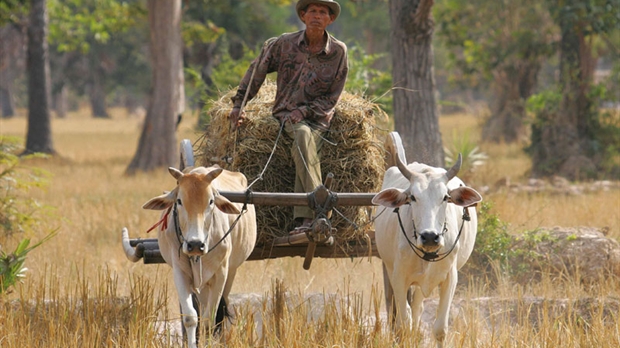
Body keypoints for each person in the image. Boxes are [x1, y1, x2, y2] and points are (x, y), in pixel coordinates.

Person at [228, 0, 348, 235]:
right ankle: (320, 211)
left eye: (323, 12)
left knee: (303, 146)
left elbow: (333, 96)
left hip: (320, 118)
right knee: (302, 135)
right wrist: (239, 104)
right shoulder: (284, 44)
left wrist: (305, 111)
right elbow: (257, 71)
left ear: (330, 20)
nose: (317, 16)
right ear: (303, 16)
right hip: (286, 114)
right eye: (312, 11)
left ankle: (304, 219)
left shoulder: (338, 51)